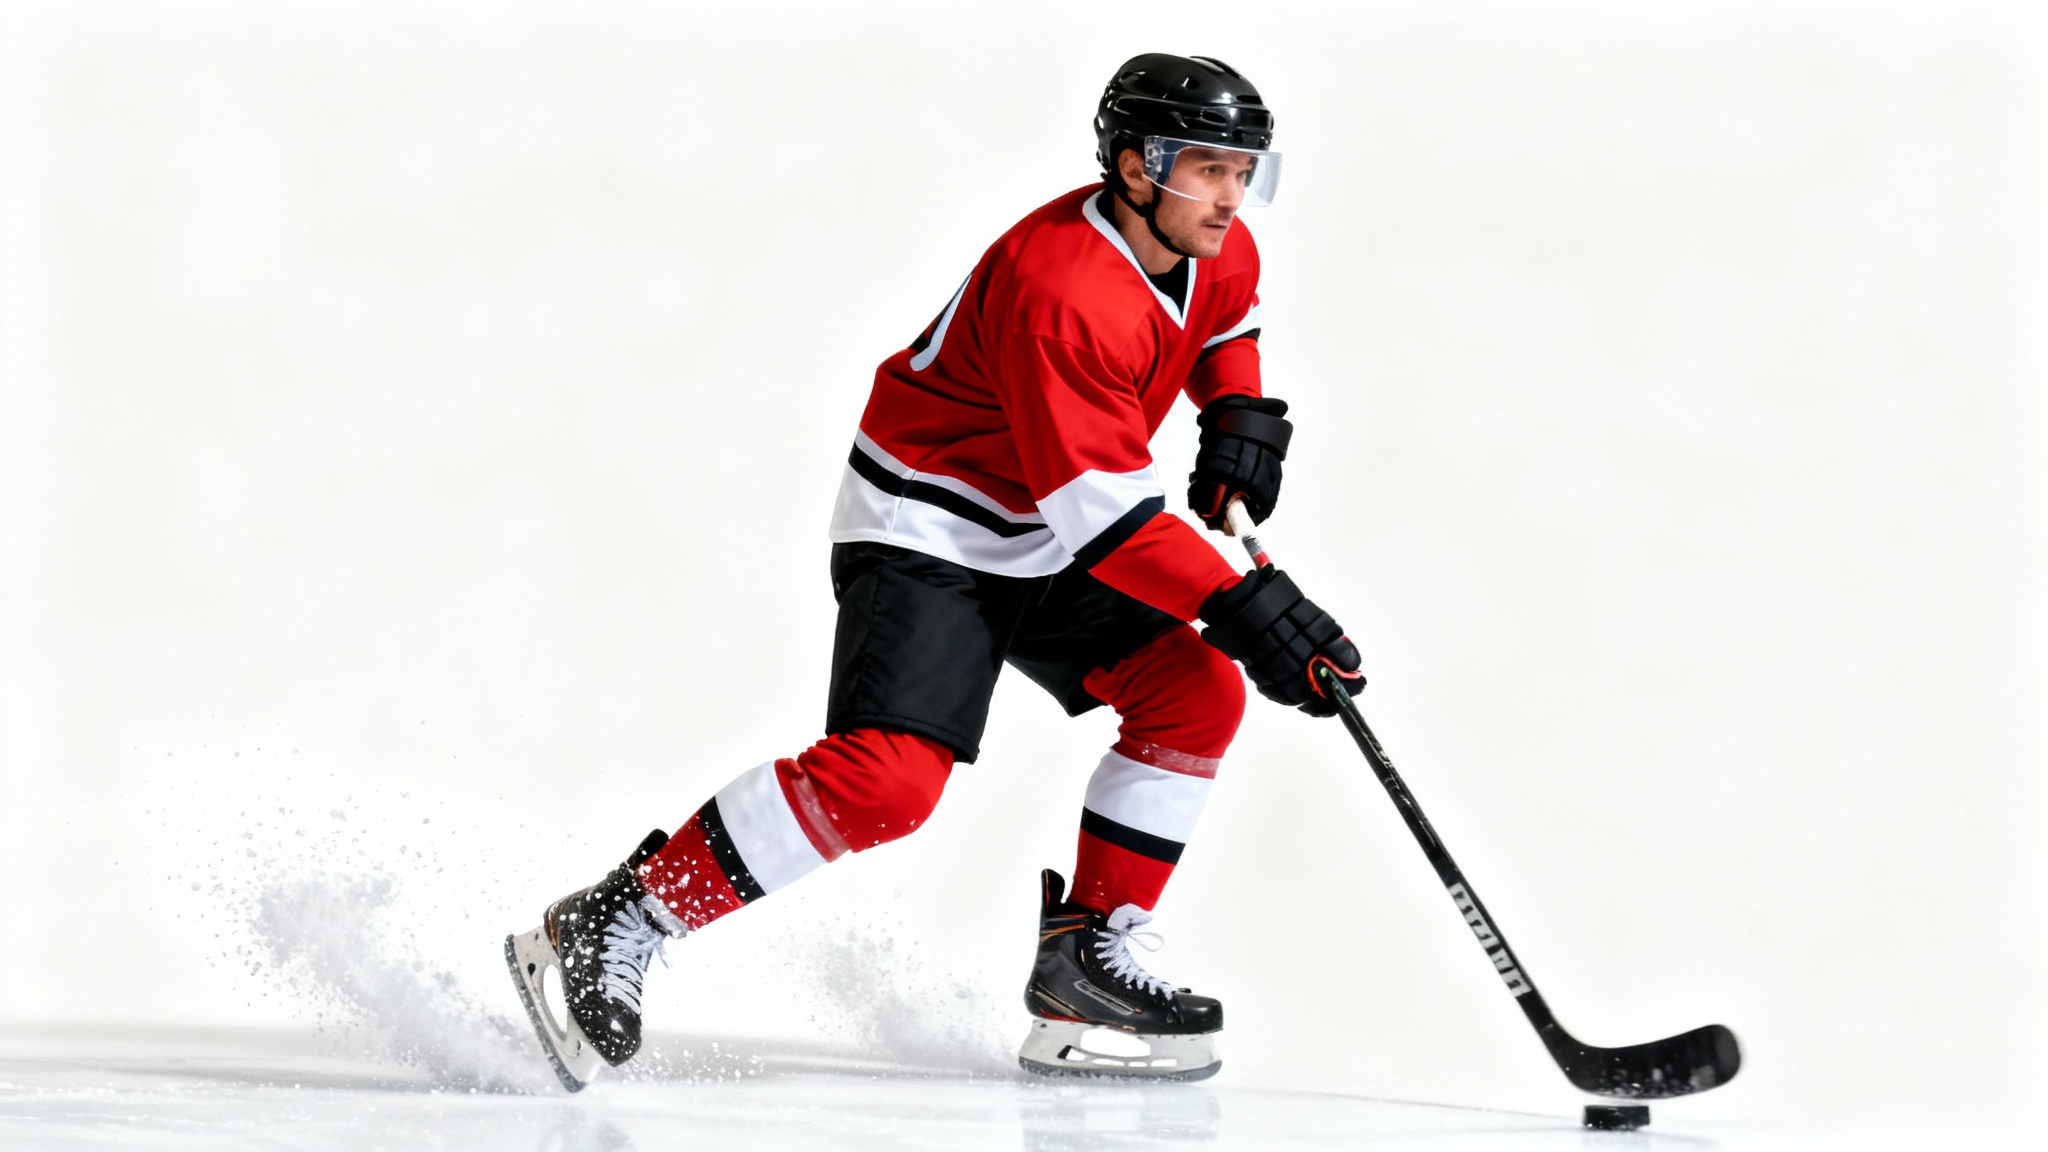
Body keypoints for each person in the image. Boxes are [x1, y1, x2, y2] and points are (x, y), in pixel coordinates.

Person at [506, 52, 1364, 1091]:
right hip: (932, 530)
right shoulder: (1064, 289)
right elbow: (1106, 520)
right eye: (1208, 170)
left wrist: (1233, 409)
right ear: (1136, 170)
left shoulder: (1210, 243)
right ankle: (617, 918)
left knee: (1192, 693)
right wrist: (1247, 607)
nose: (1230, 197)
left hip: (1051, 529)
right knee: (885, 784)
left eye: (1243, 170)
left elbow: (1225, 321)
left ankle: (1079, 964)